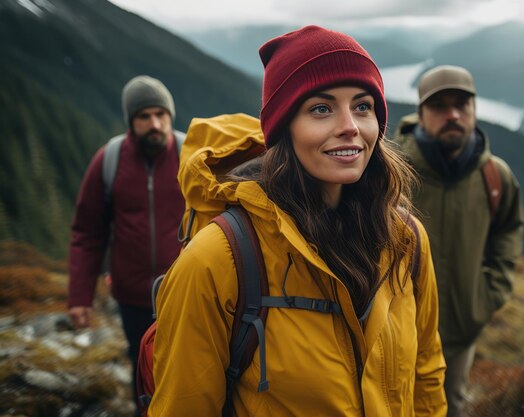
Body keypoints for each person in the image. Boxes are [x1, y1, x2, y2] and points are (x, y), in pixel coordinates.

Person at [149, 26, 447, 416]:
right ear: (284, 128)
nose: (350, 126)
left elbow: (426, 373)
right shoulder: (219, 259)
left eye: (363, 106)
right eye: (321, 108)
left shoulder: (406, 240)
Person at [394, 65, 524, 417]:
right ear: (420, 113)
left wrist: (491, 292)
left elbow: (510, 227)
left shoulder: (495, 176)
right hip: (399, 329)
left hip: (463, 330)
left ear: (474, 109)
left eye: (462, 105)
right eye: (439, 106)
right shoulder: (394, 172)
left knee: (450, 406)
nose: (452, 114)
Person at [68, 75, 185, 413]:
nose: (155, 124)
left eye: (161, 115)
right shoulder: (109, 161)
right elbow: (88, 233)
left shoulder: (190, 155)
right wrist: (79, 297)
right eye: (144, 116)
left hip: (183, 291)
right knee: (142, 366)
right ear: (130, 122)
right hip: (132, 296)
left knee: (188, 367)